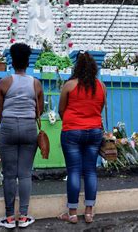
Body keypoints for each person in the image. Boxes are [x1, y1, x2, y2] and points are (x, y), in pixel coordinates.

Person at [0, 43, 44, 229]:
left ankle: (8, 217)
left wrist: (7, 123)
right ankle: (23, 216)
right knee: (24, 174)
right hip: (29, 127)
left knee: (8, 175)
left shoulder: (4, 82)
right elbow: (41, 109)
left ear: (12, 61)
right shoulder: (35, 83)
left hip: (7, 127)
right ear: (28, 61)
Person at [58, 51, 105, 224]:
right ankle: (89, 212)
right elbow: (99, 109)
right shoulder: (101, 86)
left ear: (76, 67)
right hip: (94, 132)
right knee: (91, 170)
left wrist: (71, 123)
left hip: (72, 132)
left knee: (74, 171)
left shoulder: (69, 85)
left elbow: (61, 110)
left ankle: (71, 213)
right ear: (93, 68)